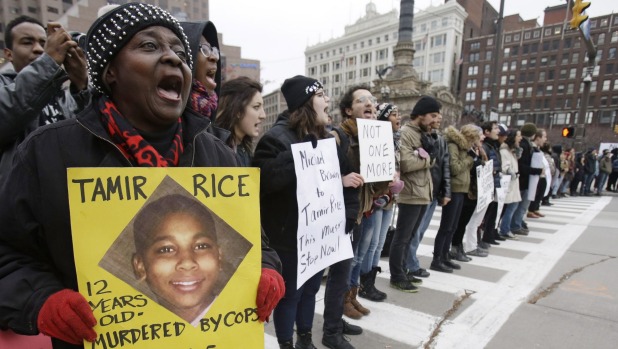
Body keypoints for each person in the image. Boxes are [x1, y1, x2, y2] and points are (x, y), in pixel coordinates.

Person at [0, 4, 283, 349]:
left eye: (180, 52)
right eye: (149, 46)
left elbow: (258, 243)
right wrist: (42, 301)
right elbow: (9, 254)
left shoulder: (218, 155)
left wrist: (267, 270)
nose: (173, 59)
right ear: (110, 72)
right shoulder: (48, 152)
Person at [254, 76, 361, 349]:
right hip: (288, 237)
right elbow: (265, 182)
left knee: (312, 290)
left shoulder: (329, 139)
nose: (328, 101)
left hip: (320, 234)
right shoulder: (274, 139)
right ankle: (286, 344)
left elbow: (346, 180)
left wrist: (347, 218)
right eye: (321, 95)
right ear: (305, 102)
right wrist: (299, 155)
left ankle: (305, 339)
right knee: (291, 294)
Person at [0, 15, 90, 182]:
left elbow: (92, 138)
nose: (39, 49)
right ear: (9, 54)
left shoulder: (64, 95)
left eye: (44, 43)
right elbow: (8, 112)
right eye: (27, 42)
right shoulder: (3, 85)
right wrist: (48, 63)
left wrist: (82, 85)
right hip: (19, 201)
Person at [132, 194, 221, 326]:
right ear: (140, 266)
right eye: (167, 249)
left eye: (201, 246)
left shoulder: (251, 327)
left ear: (219, 257)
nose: (187, 263)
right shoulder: (130, 333)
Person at [332, 85, 375, 319]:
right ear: (349, 110)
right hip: (345, 211)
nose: (369, 103)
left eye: (372, 100)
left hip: (366, 207)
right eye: (362, 100)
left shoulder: (374, 136)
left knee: (357, 256)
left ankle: (351, 297)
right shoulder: (337, 137)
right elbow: (323, 175)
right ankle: (339, 305)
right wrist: (341, 179)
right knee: (343, 263)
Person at [389, 96, 438, 289]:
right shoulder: (406, 133)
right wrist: (429, 159)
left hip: (423, 192)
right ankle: (397, 275)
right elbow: (407, 163)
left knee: (410, 237)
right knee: (402, 237)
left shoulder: (423, 133)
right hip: (410, 193)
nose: (435, 120)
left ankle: (405, 270)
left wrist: (429, 157)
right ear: (421, 115)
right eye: (432, 115)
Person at [358, 103, 405, 302]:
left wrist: (396, 177)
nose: (399, 117)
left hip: (390, 198)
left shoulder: (397, 141)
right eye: (394, 114)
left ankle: (371, 282)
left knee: (379, 244)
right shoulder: (373, 138)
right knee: (371, 243)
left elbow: (398, 165)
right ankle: (363, 284)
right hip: (376, 198)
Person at [406, 112, 451, 276]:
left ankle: (411, 261)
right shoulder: (418, 136)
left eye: (440, 115)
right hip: (419, 189)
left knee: (421, 230)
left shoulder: (439, 139)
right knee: (414, 231)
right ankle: (410, 264)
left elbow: (445, 165)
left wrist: (446, 191)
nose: (438, 119)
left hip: (433, 190)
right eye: (434, 115)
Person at [441, 124, 484, 264]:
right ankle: (441, 255)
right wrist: (471, 159)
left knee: (454, 226)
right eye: (476, 138)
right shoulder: (455, 146)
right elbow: (455, 167)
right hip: (456, 188)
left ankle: (447, 253)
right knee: (448, 226)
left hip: (465, 188)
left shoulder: (469, 149)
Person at [215, 77, 266, 165]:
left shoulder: (245, 151)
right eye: (256, 107)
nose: (263, 115)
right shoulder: (215, 150)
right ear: (237, 110)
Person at [510, 123, 542, 236]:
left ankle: (517, 224)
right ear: (533, 134)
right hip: (523, 180)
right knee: (520, 206)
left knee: (520, 206)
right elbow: (522, 165)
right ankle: (515, 225)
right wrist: (536, 171)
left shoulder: (526, 145)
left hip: (524, 180)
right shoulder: (524, 145)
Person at [498, 129, 522, 239]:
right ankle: (504, 229)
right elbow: (505, 167)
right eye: (518, 136)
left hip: (513, 183)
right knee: (508, 207)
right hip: (508, 183)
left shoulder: (511, 151)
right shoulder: (504, 151)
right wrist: (512, 173)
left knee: (513, 205)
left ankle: (504, 228)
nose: (520, 138)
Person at [527, 129, 549, 218]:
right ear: (538, 138)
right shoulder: (532, 148)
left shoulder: (538, 149)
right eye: (544, 137)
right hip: (534, 174)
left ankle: (535, 208)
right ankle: (531, 209)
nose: (545, 139)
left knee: (540, 191)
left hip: (540, 174)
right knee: (534, 192)